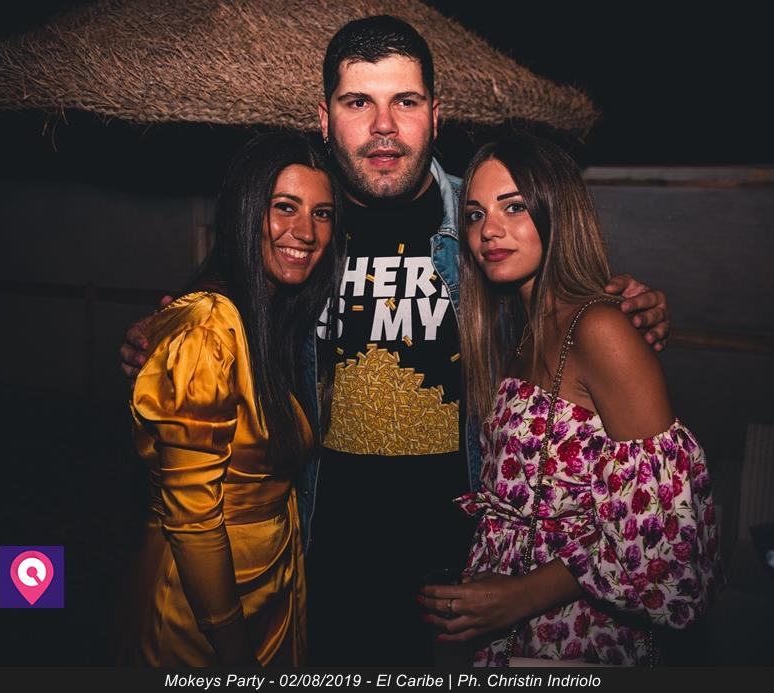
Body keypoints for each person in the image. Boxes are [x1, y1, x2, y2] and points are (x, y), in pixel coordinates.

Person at [119, 16, 672, 665]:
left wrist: (630, 308)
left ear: (435, 115)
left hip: (463, 563)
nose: (383, 126)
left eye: (405, 102)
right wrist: (161, 336)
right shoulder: (298, 220)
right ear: (324, 118)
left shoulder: (484, 217)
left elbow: (567, 302)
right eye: (358, 103)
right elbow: (224, 303)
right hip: (322, 552)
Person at [419, 134, 722, 666]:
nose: (489, 230)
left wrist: (520, 595)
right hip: (514, 630)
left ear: (557, 211)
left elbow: (663, 538)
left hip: (579, 635)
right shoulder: (520, 329)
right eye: (474, 214)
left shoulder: (600, 328)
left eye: (514, 207)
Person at [118, 132, 344, 667]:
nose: (306, 232)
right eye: (284, 207)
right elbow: (193, 519)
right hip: (200, 608)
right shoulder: (210, 327)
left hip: (267, 585)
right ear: (246, 212)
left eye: (322, 213)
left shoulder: (273, 319)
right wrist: (234, 650)